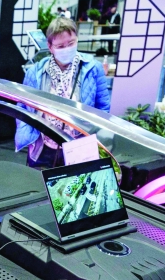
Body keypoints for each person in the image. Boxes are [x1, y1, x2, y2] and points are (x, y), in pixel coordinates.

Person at [15, 17, 110, 169]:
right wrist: (27, 133)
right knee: (39, 188)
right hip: (43, 147)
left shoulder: (93, 68)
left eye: (71, 43)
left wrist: (93, 137)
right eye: (60, 46)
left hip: (79, 148)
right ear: (50, 46)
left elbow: (103, 108)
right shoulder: (35, 72)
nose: (66, 49)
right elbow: (22, 106)